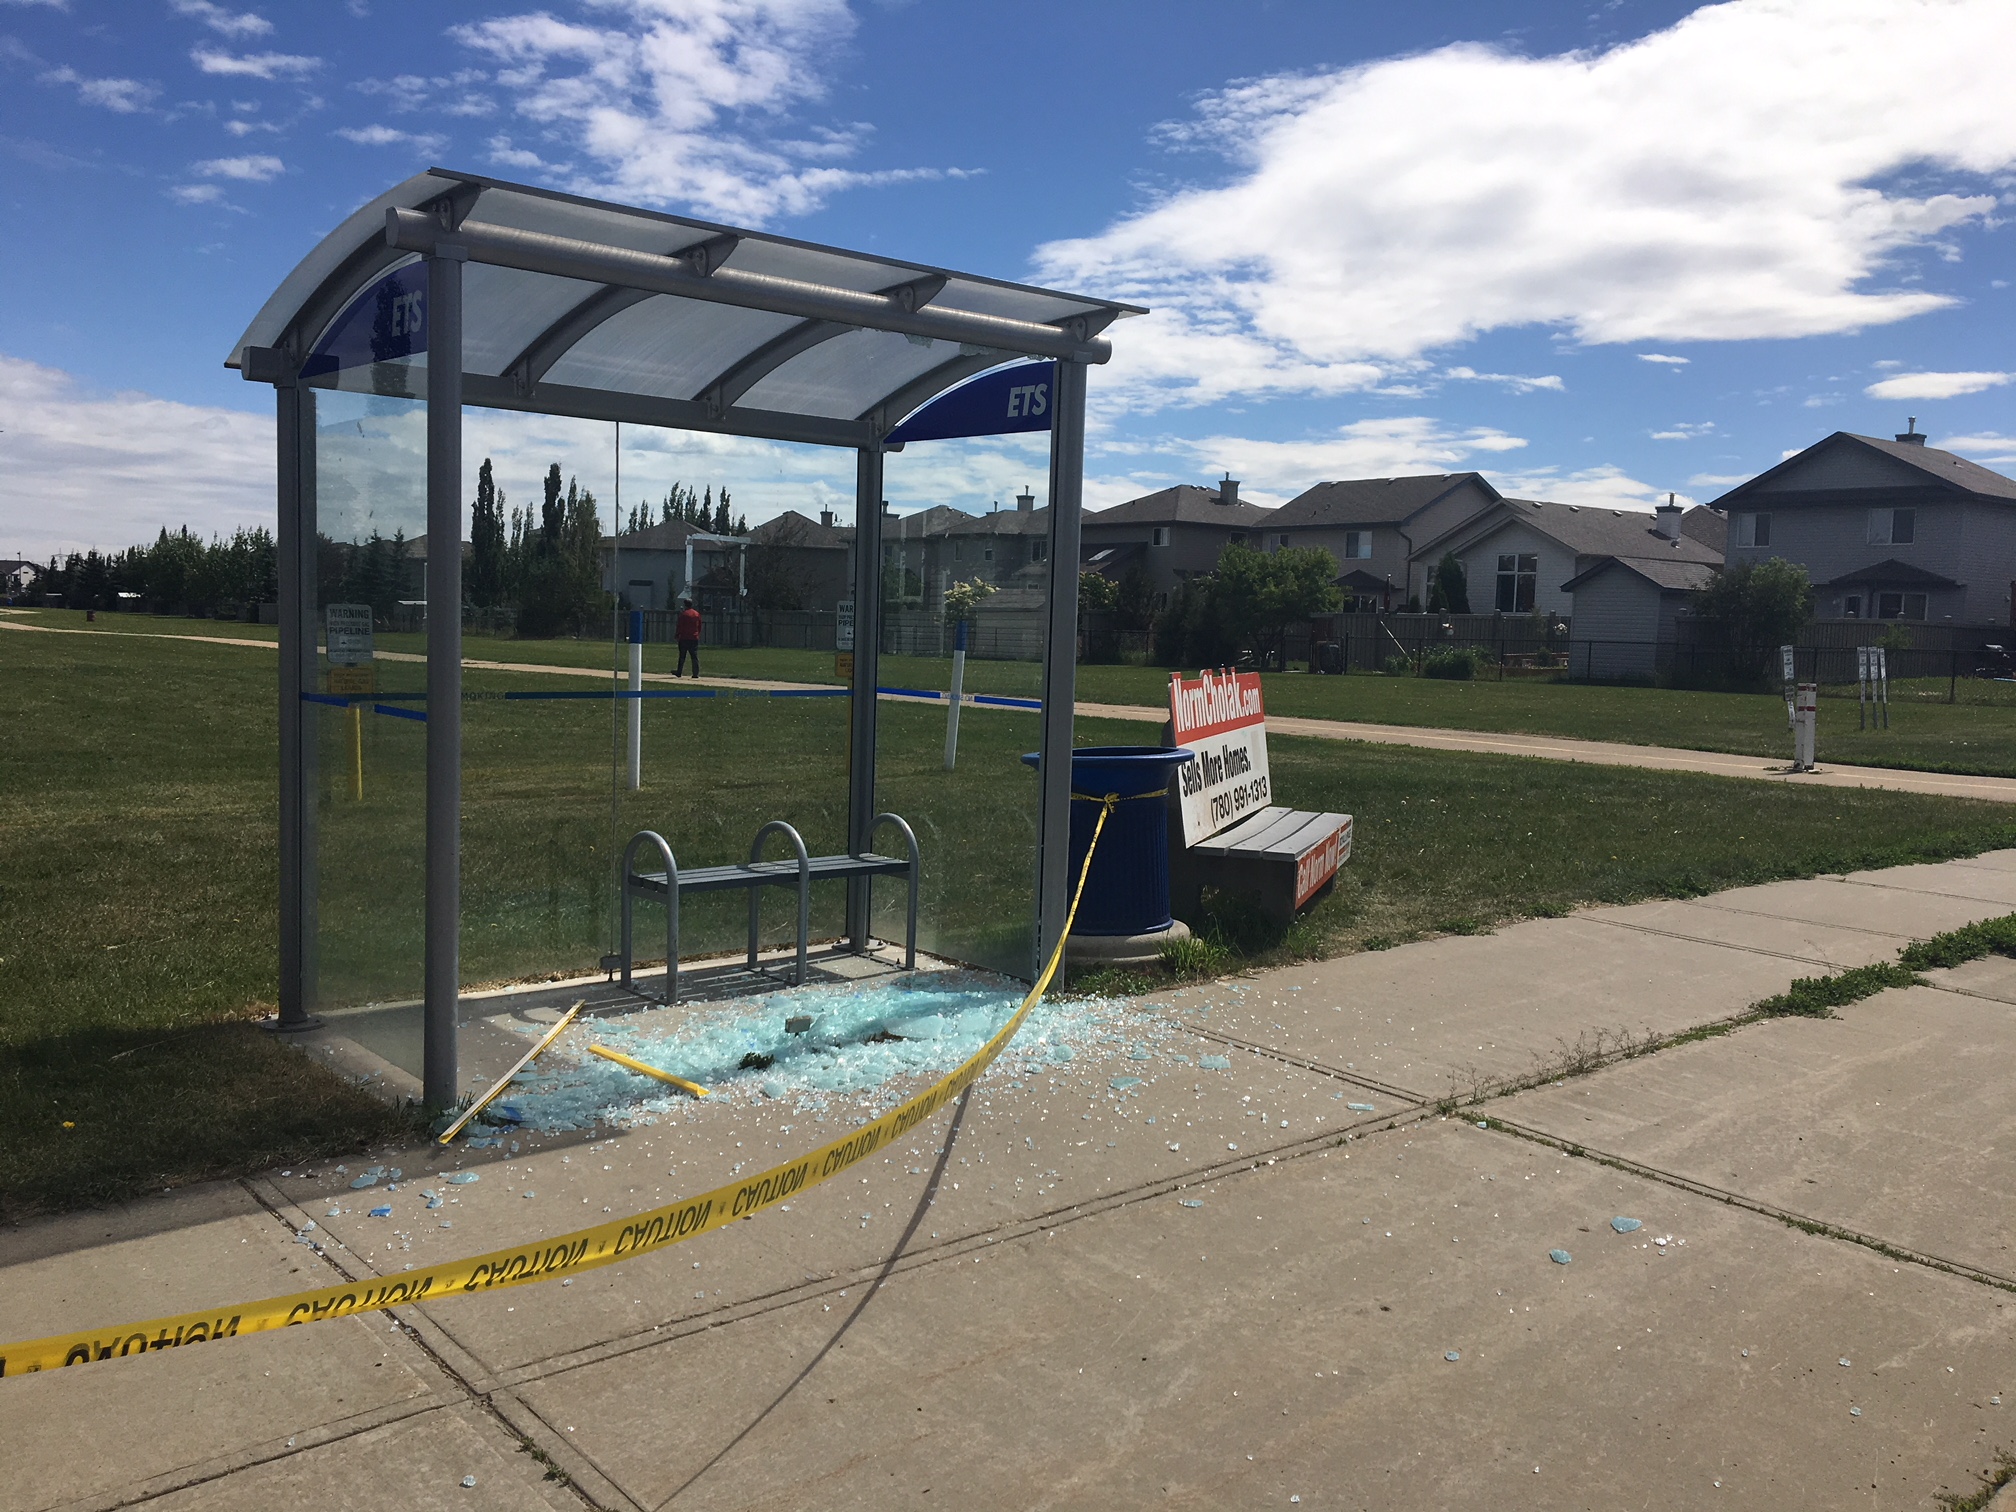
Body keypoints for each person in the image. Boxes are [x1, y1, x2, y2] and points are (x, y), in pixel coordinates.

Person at [674, 596, 702, 678]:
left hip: (684, 637)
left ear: (685, 605)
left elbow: (680, 626)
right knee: (694, 656)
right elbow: (699, 626)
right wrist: (697, 634)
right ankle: (695, 673)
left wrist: (677, 634)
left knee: (682, 655)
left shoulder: (683, 614)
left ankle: (679, 672)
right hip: (694, 638)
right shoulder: (697, 614)